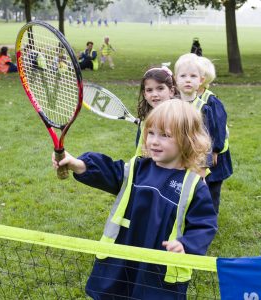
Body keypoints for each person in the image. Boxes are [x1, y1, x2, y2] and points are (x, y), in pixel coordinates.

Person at [52, 99, 217, 299]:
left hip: (158, 269)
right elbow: (109, 172)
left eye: (165, 135)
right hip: (121, 259)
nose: (154, 141)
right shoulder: (137, 168)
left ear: (187, 139)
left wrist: (186, 244)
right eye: (151, 133)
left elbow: (204, 225)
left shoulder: (194, 186)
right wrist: (78, 165)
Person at [197, 56, 233, 213]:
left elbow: (218, 128)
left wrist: (215, 151)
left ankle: (209, 219)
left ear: (202, 79)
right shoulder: (186, 98)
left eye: (192, 75)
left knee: (211, 189)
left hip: (214, 155)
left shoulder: (210, 101)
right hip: (197, 152)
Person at [174, 53, 216, 178]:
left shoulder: (204, 109)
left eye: (193, 76)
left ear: (201, 80)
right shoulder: (171, 106)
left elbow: (206, 140)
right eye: (183, 76)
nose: (188, 79)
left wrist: (202, 169)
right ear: (176, 79)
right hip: (173, 160)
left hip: (195, 163)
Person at [135, 66, 179, 155]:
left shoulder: (181, 118)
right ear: (145, 94)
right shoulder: (145, 122)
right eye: (149, 90)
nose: (154, 94)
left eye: (160, 88)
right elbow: (140, 149)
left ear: (171, 91)